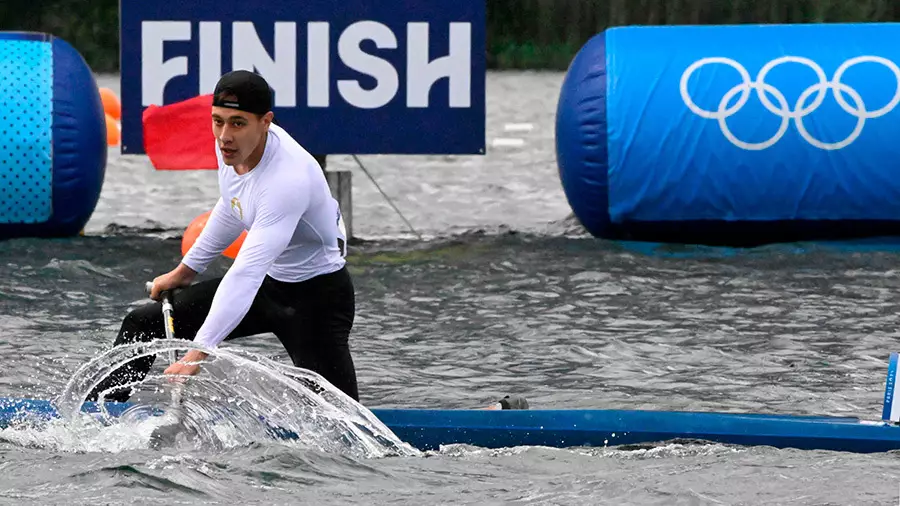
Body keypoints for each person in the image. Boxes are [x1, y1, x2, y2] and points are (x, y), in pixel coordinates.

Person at [86, 70, 358, 403]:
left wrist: (196, 355)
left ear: (265, 122)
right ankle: (100, 418)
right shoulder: (231, 148)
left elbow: (245, 274)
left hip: (316, 301)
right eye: (218, 121)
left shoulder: (288, 180)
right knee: (143, 322)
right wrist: (184, 272)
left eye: (238, 123)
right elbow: (232, 207)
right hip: (268, 287)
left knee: (341, 421)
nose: (225, 135)